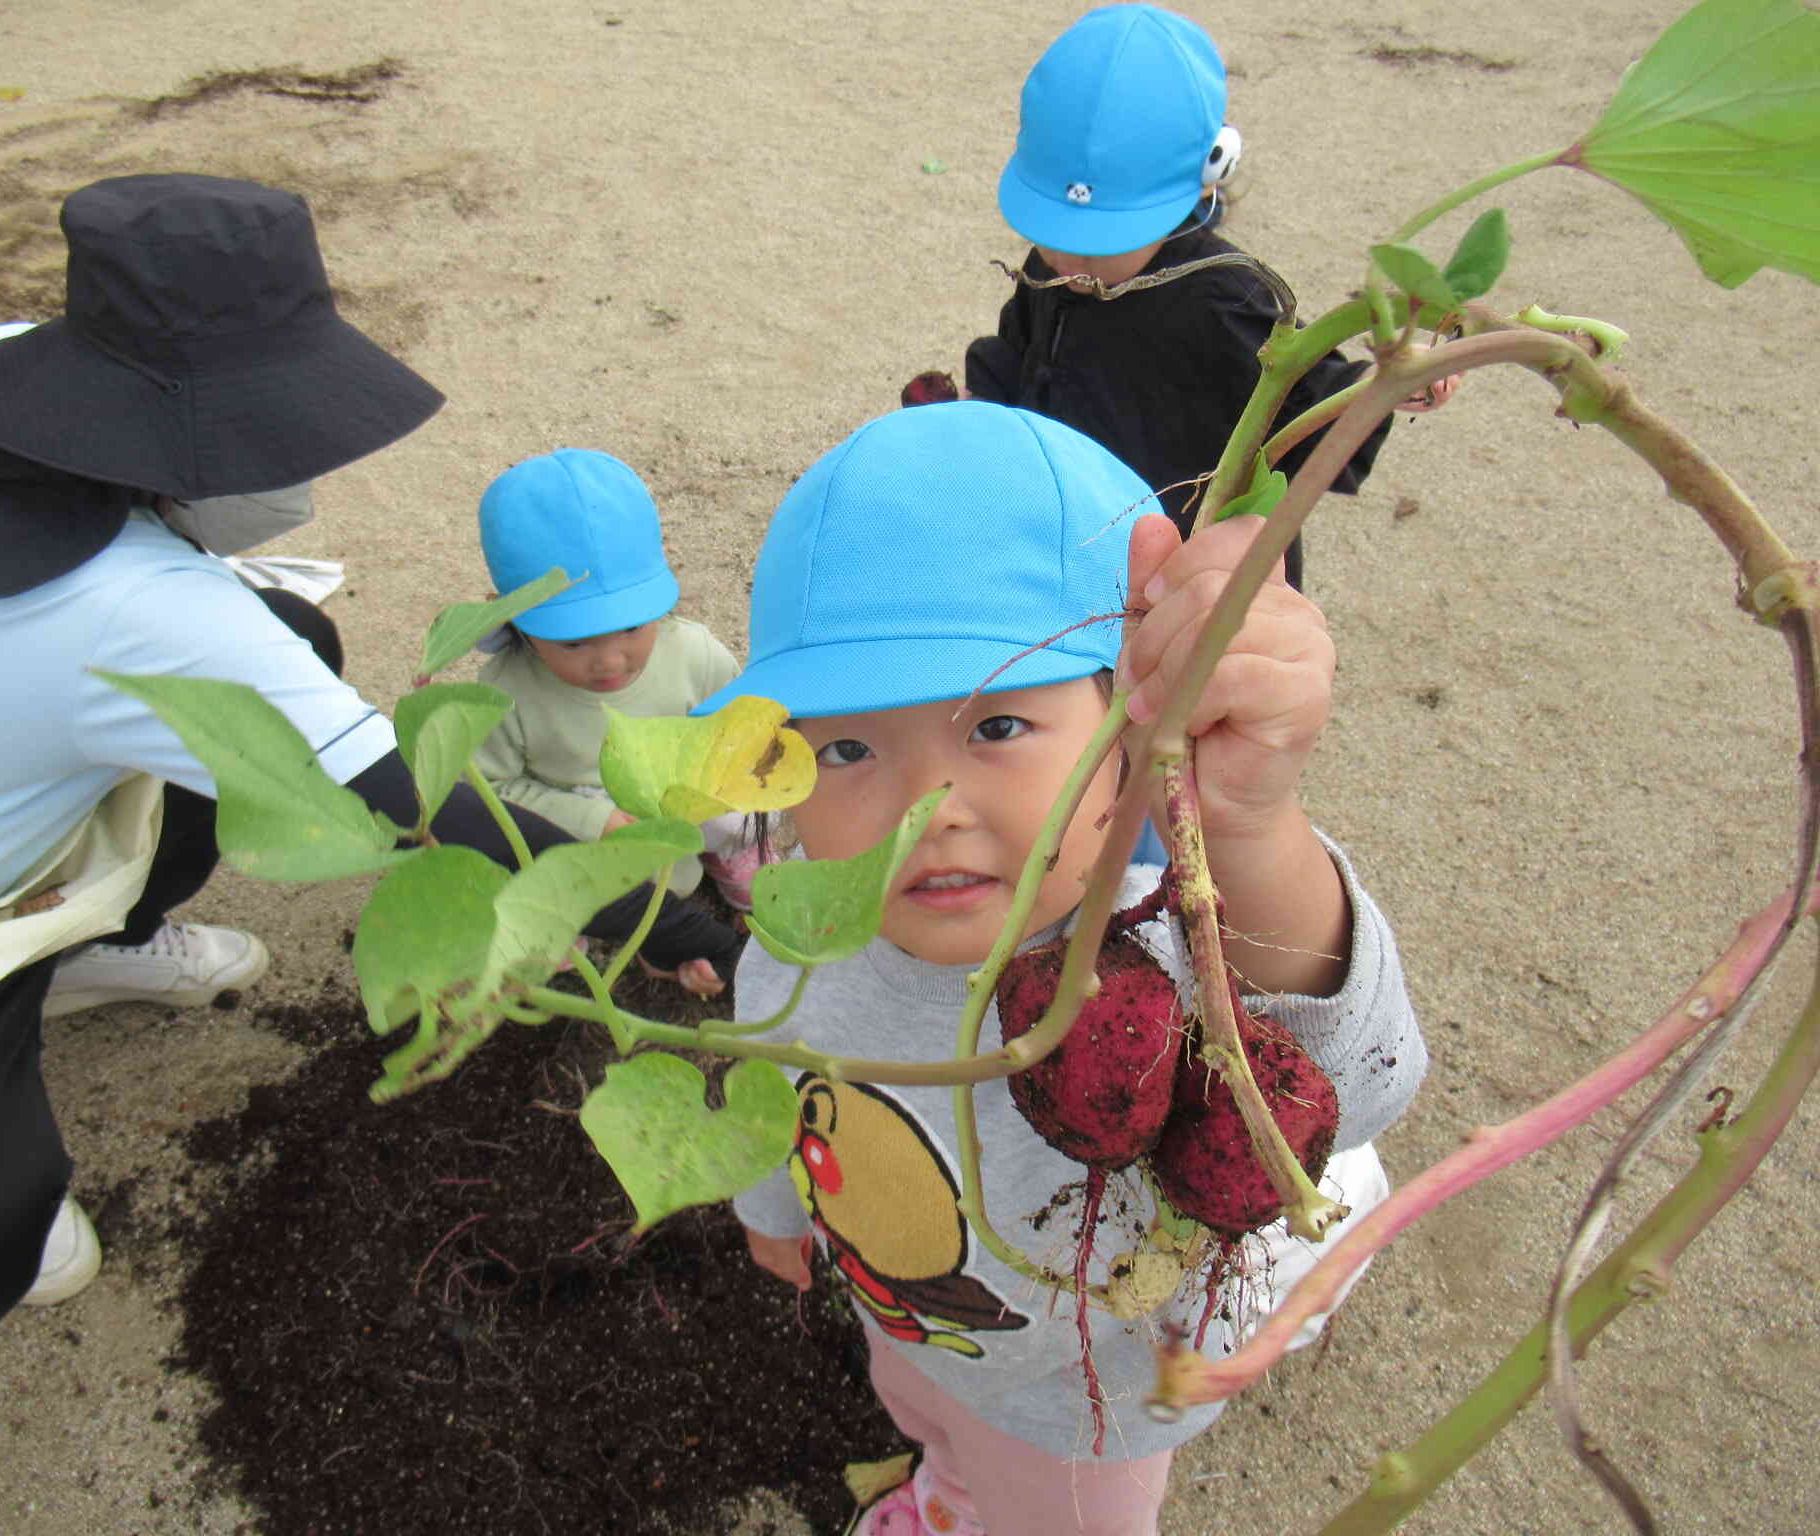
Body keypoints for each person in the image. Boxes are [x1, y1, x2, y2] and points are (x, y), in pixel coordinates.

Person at [0, 172, 739, 1337]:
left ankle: (86, 942)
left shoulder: (4, 368)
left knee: (295, 646)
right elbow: (426, 807)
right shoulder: (132, 614)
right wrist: (699, 936)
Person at [702, 402, 1426, 1535]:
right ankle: (946, 1483)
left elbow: (1358, 1086)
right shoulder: (798, 940)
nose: (925, 809)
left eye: (994, 728)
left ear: (1130, 735)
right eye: (844, 748)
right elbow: (767, 1092)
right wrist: (772, 1214)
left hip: (1088, 1401)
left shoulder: (1162, 949)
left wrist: (1252, 829)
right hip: (923, 1320)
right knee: (920, 1401)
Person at [960, 3, 1454, 590]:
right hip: (1075, 541)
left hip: (1191, 569)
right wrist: (985, 407)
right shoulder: (1054, 266)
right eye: (1052, 232)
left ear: (1215, 168)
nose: (1068, 262)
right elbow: (1026, 348)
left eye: (1101, 243)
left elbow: (1308, 411)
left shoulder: (1224, 300)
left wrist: (1389, 384)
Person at [471, 448, 769, 968]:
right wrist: (590, 816)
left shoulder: (695, 653)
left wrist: (714, 791)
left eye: (632, 625)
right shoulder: (503, 693)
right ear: (518, 622)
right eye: (572, 643)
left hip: (683, 801)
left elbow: (741, 727)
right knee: (549, 912)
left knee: (742, 821)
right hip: (584, 827)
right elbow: (489, 792)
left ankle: (726, 857)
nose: (610, 660)